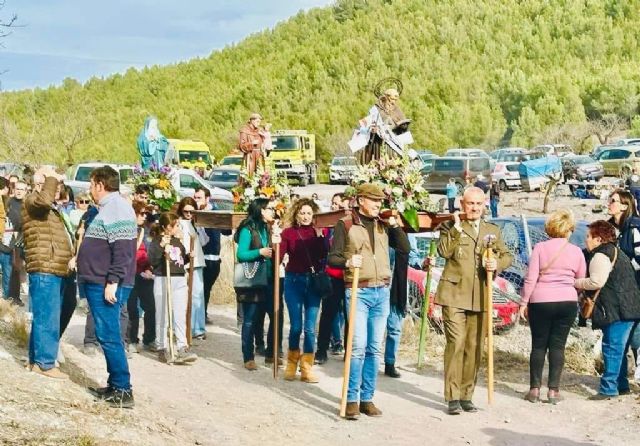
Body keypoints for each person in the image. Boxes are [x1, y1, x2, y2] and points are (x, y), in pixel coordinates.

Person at [328, 183, 410, 419]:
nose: (378, 205)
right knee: (357, 347)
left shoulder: (384, 225)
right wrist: (346, 262)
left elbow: (403, 248)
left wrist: (395, 226)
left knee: (375, 348)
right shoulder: (345, 224)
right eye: (374, 200)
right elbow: (332, 257)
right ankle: (351, 399)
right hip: (358, 291)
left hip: (381, 290)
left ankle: (367, 398)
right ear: (361, 200)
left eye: (380, 201)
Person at [434, 187, 513, 415]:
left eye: (479, 204)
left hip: (480, 294)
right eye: (470, 204)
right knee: (456, 344)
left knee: (474, 347)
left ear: (485, 204)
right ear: (462, 203)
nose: (475, 208)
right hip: (454, 295)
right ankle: (452, 397)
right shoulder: (450, 227)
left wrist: (496, 263)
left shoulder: (492, 230)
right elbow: (444, 251)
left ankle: (466, 395)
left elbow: (506, 255)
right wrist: (457, 227)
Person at [77, 166, 137, 408]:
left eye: (92, 185)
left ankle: (123, 389)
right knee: (106, 334)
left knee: (109, 335)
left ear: (100, 184)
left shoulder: (118, 207)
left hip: (105, 282)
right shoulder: (109, 208)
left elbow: (122, 250)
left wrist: (113, 281)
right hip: (99, 280)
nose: (90, 190)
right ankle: (115, 384)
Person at [519, 210, 586, 404]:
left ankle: (534, 389)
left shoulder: (540, 248)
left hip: (541, 300)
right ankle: (554, 391)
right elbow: (580, 279)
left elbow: (531, 278)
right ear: (569, 230)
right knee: (558, 346)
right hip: (567, 301)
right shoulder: (576, 251)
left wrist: (524, 302)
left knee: (538, 345)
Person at [575, 220, 640, 400]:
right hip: (631, 308)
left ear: (598, 239)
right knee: (620, 349)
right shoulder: (617, 252)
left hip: (616, 310)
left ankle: (608, 388)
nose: (585, 240)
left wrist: (575, 283)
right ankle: (622, 384)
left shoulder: (600, 256)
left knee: (612, 348)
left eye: (588, 237)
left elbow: (597, 281)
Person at [23, 166, 73, 379]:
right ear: (41, 183)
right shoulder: (33, 201)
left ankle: (37, 360)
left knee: (44, 316)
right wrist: (50, 177)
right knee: (48, 317)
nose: (58, 187)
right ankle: (45, 363)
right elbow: (44, 201)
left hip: (52, 267)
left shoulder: (46, 206)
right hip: (46, 267)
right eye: (54, 184)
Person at [279, 198, 327, 383]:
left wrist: (321, 237)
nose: (306, 216)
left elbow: (324, 255)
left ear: (314, 215)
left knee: (309, 329)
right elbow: (279, 256)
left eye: (309, 213)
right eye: (302, 213)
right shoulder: (288, 233)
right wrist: (276, 240)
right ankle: (291, 363)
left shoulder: (318, 233)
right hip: (294, 281)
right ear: (297, 215)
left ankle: (307, 367)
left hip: (313, 283)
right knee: (296, 326)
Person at [234, 198, 280, 370]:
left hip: (269, 278)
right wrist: (259, 252)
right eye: (270, 209)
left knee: (275, 315)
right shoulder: (248, 229)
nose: (273, 212)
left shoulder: (268, 228)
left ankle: (270, 354)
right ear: (261, 210)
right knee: (250, 320)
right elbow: (242, 254)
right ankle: (248, 356)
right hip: (252, 280)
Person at [147, 212, 198, 365]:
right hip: (163, 278)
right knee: (163, 314)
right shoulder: (157, 241)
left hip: (179, 278)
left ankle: (182, 347)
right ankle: (162, 346)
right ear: (166, 227)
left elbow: (180, 260)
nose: (177, 228)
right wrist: (162, 247)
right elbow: (152, 260)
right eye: (175, 225)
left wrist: (189, 256)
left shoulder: (177, 241)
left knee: (180, 314)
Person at [607, 189, 640, 370]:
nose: (609, 203)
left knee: (637, 335)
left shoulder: (634, 227)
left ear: (625, 205)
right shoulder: (613, 229)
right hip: (621, 291)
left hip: (635, 287)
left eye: (613, 201)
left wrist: (625, 269)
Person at [193, 187, 230, 323]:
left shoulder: (215, 213)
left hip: (212, 257)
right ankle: (198, 315)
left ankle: (202, 314)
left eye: (199, 198)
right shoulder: (192, 213)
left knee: (205, 288)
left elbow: (227, 232)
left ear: (207, 199)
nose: (196, 200)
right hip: (196, 257)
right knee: (197, 289)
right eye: (195, 197)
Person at [126, 201, 156, 353]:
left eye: (146, 214)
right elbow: (128, 254)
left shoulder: (145, 230)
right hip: (129, 275)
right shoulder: (127, 230)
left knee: (151, 307)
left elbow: (148, 253)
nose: (144, 217)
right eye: (141, 213)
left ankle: (149, 339)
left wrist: (150, 268)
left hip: (143, 274)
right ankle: (131, 339)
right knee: (132, 309)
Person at [177, 197, 207, 341]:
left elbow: (205, 241)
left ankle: (198, 328)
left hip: (197, 261)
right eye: (186, 211)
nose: (188, 214)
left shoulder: (197, 223)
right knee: (182, 295)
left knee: (197, 295)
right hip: (183, 261)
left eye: (191, 211)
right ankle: (183, 327)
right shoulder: (178, 223)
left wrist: (199, 228)